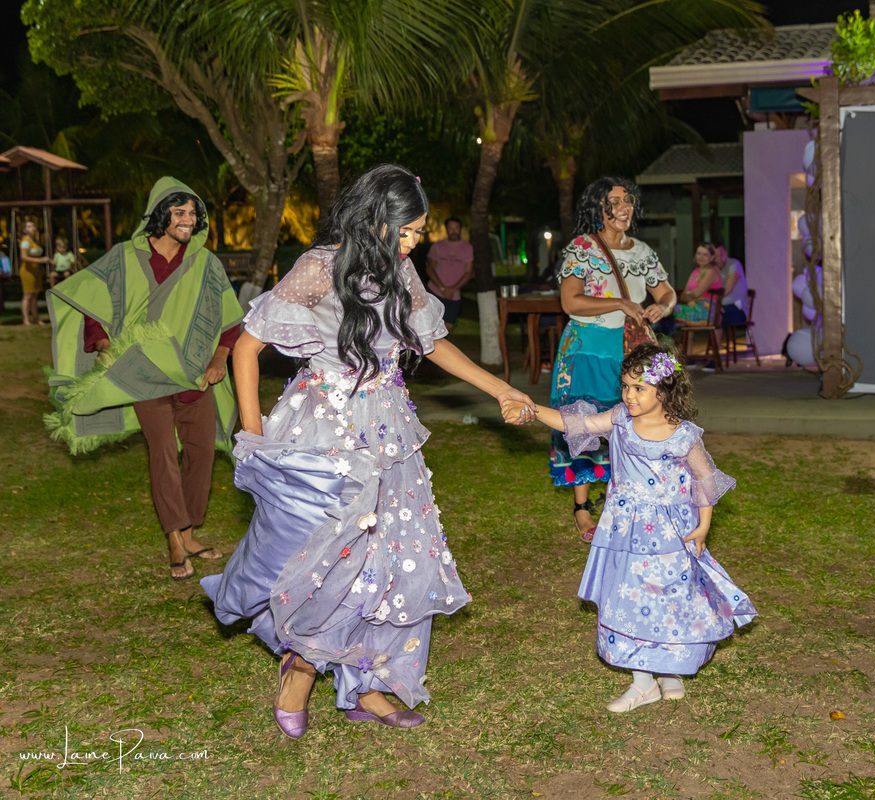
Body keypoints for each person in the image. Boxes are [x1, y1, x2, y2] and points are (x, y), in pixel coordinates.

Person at [201, 164, 536, 738]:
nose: (415, 242)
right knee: (331, 557)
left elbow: (432, 343)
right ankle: (301, 667)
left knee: (395, 558)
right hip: (326, 426)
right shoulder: (319, 267)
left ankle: (371, 686)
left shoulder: (402, 271)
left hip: (388, 427)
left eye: (419, 232)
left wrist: (502, 389)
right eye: (408, 231)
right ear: (377, 219)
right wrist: (253, 439)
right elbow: (247, 349)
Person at [509, 343, 756, 712]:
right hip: (624, 528)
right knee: (627, 596)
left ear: (665, 390)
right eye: (625, 386)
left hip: (671, 531)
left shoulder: (683, 435)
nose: (629, 394)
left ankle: (667, 670)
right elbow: (577, 423)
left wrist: (703, 526)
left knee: (669, 596)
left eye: (639, 388)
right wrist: (533, 409)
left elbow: (704, 479)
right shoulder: (620, 419)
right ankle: (642, 682)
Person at [46, 177, 243, 580]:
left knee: (202, 452)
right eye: (180, 212)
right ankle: (174, 536)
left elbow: (228, 320)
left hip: (194, 373)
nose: (189, 220)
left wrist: (220, 357)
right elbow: (93, 304)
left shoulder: (206, 263)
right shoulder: (124, 257)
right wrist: (102, 344)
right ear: (161, 214)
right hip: (143, 372)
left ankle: (189, 529)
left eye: (193, 213)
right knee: (163, 454)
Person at [551, 177, 677, 540]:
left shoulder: (642, 252)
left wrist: (660, 307)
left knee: (631, 421)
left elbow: (667, 292)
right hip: (588, 347)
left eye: (628, 201)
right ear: (599, 209)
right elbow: (570, 301)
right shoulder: (582, 249)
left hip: (631, 349)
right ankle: (582, 507)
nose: (625, 207)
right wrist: (620, 302)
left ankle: (619, 501)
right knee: (583, 422)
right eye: (615, 201)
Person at [425, 216, 473, 330]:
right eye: (450, 228)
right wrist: (442, 288)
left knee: (447, 327)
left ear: (460, 229)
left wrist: (452, 289)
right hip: (434, 291)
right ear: (446, 229)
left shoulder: (467, 247)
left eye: (456, 228)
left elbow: (468, 272)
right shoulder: (437, 246)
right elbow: (430, 269)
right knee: (430, 326)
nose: (453, 231)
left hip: (454, 294)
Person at [673, 243, 723, 324]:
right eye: (698, 253)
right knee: (667, 312)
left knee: (669, 312)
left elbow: (697, 293)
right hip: (694, 307)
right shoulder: (695, 272)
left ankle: (652, 335)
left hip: (708, 311)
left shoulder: (711, 271)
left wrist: (690, 295)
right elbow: (683, 296)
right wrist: (693, 297)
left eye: (705, 255)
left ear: (712, 257)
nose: (701, 257)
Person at [18, 218, 50, 325]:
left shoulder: (34, 240)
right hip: (27, 271)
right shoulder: (25, 241)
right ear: (24, 230)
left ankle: (36, 318)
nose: (33, 228)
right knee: (27, 295)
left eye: (33, 226)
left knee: (35, 295)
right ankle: (26, 319)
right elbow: (24, 257)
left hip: (36, 271)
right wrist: (40, 260)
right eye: (30, 226)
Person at [715, 244, 748, 327]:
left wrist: (715, 304)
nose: (719, 259)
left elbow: (729, 286)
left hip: (737, 308)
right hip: (720, 306)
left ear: (726, 253)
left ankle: (715, 340)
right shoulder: (712, 269)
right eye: (715, 256)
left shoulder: (734, 264)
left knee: (715, 316)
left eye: (721, 255)